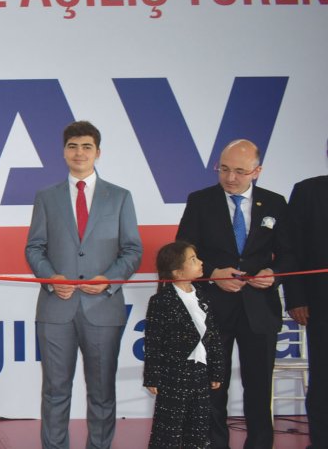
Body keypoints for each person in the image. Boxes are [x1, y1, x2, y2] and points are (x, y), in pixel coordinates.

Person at [25, 120, 142, 449]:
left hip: (103, 309)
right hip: (56, 308)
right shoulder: (46, 197)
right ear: (64, 152)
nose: (79, 153)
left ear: (98, 152)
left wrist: (109, 280)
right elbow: (34, 248)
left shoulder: (119, 197)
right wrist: (51, 278)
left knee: (102, 393)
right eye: (73, 146)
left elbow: (132, 250)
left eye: (86, 146)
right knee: (55, 391)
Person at [176, 139, 287, 449]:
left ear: (257, 171)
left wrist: (274, 274)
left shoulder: (275, 203)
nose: (230, 177)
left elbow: (290, 253)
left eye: (239, 171)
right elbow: (183, 249)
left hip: (259, 309)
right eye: (223, 169)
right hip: (213, 307)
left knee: (259, 388)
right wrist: (212, 273)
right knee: (212, 387)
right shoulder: (200, 201)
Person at [143, 241, 224, 449]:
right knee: (169, 429)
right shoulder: (161, 301)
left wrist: (216, 370)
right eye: (193, 260)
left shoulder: (203, 297)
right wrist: (152, 376)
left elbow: (213, 337)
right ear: (177, 272)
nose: (201, 262)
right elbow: (153, 342)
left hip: (200, 373)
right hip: (173, 374)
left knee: (198, 426)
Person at [281, 141, 328, 449]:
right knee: (323, 378)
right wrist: (296, 297)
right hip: (321, 304)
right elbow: (291, 249)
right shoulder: (308, 191)